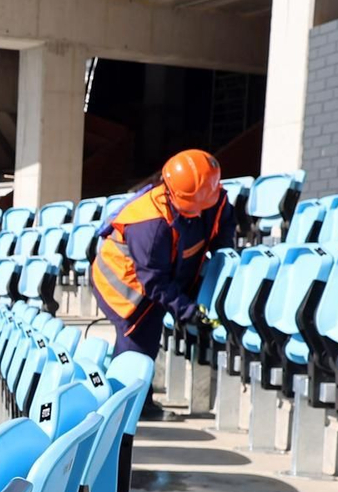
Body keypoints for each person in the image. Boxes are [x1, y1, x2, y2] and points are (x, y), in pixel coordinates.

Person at [89, 148, 237, 406]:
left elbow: (222, 226)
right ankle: (128, 405)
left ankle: (132, 397)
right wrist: (187, 310)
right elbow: (154, 282)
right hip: (123, 282)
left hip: (159, 273)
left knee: (151, 329)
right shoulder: (150, 225)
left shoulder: (212, 197)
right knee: (138, 337)